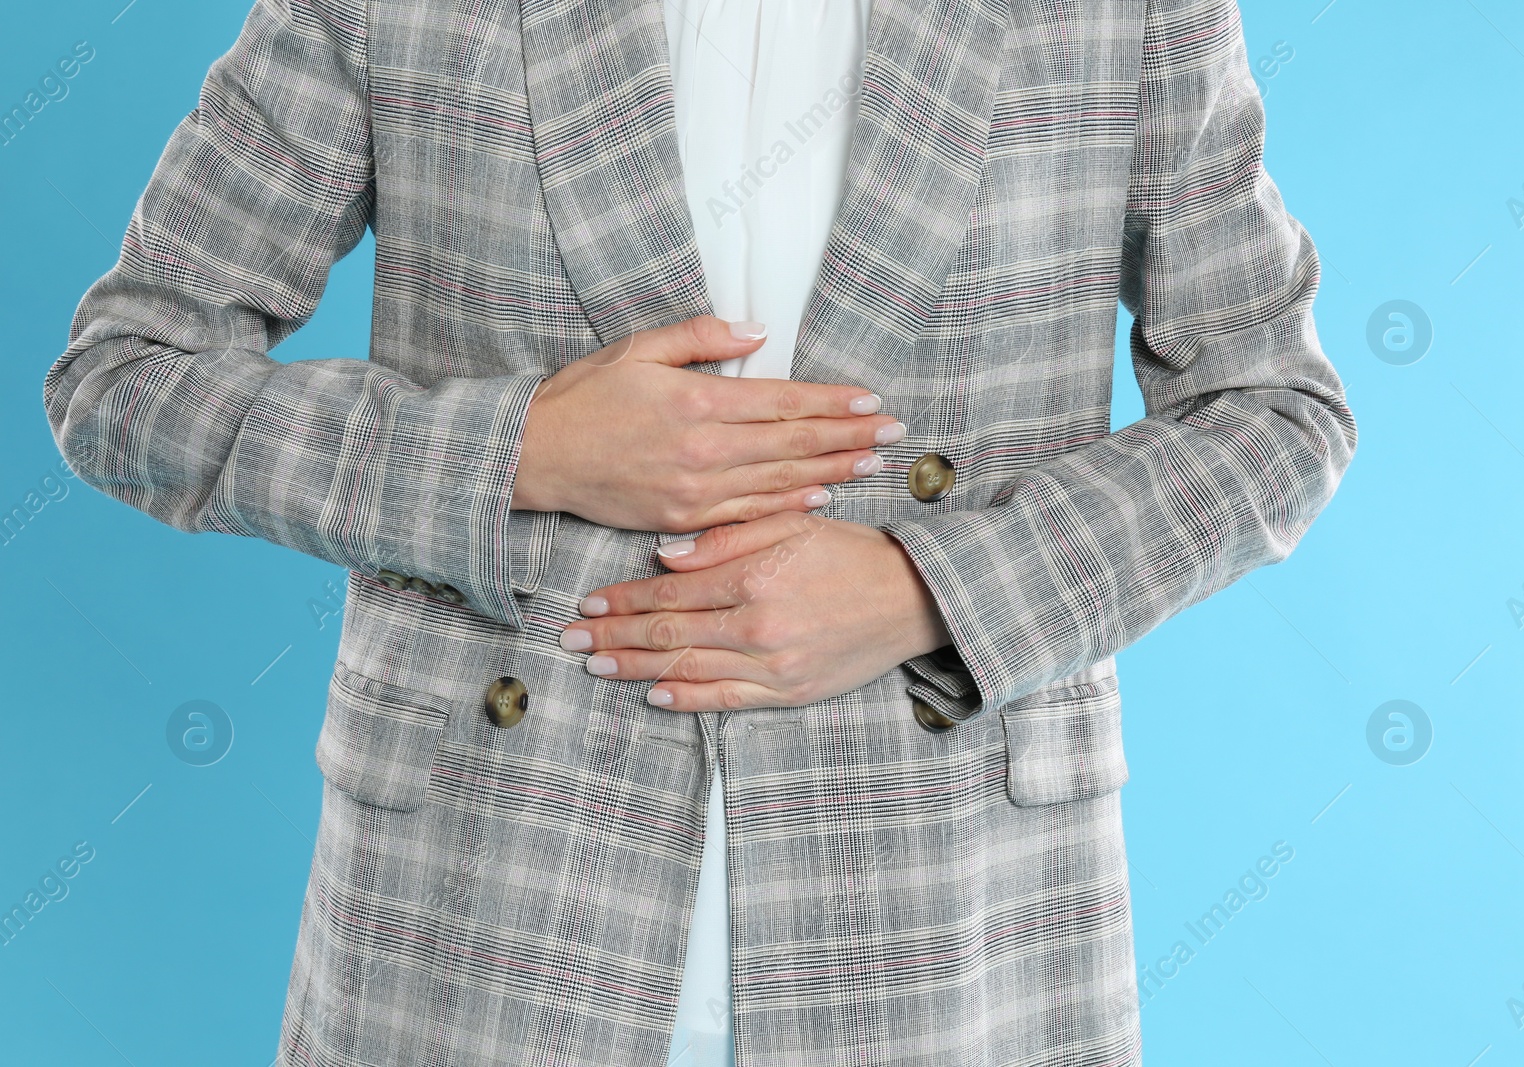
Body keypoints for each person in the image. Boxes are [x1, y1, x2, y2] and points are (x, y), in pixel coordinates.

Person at [42, 0, 1358, 1063]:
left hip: (956, 932)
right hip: (481, 918)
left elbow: (1275, 413)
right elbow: (127, 376)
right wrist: (524, 452)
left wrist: (929, 588)